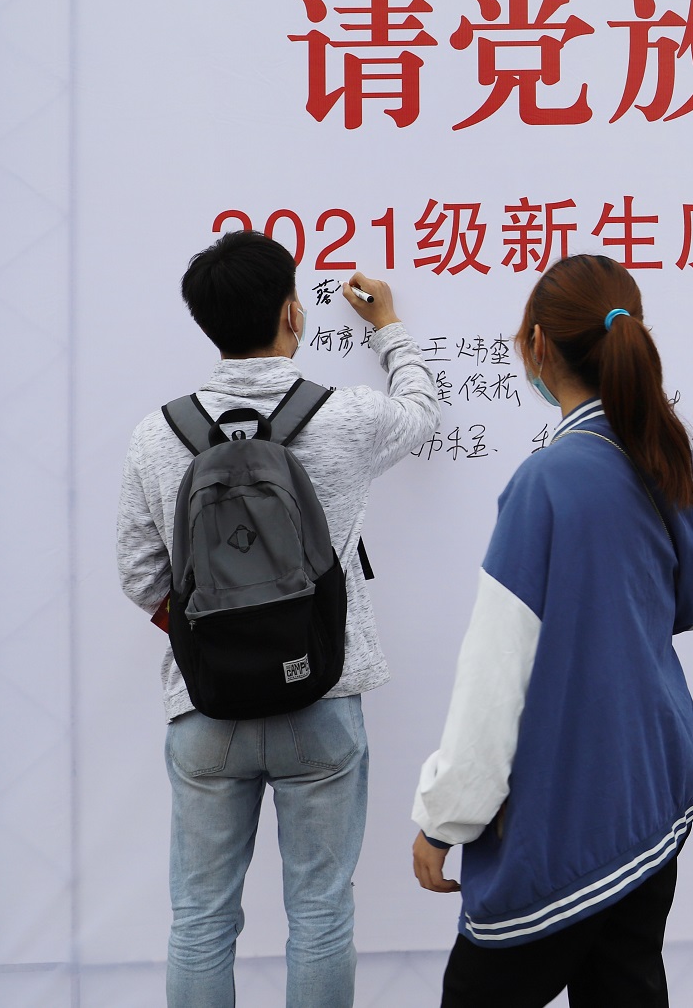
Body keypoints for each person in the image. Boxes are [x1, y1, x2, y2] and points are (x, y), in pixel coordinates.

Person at [410, 253, 693, 1008]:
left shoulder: (546, 483)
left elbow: (493, 681)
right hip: (653, 791)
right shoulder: (668, 457)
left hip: (563, 816)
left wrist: (444, 820)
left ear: (539, 345)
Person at [116, 230, 439, 1008]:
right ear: (293, 312)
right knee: (320, 913)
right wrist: (389, 327)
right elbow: (422, 412)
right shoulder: (346, 415)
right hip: (321, 697)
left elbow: (138, 574)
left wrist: (214, 639)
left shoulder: (157, 435)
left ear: (206, 322)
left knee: (200, 918)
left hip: (205, 709)